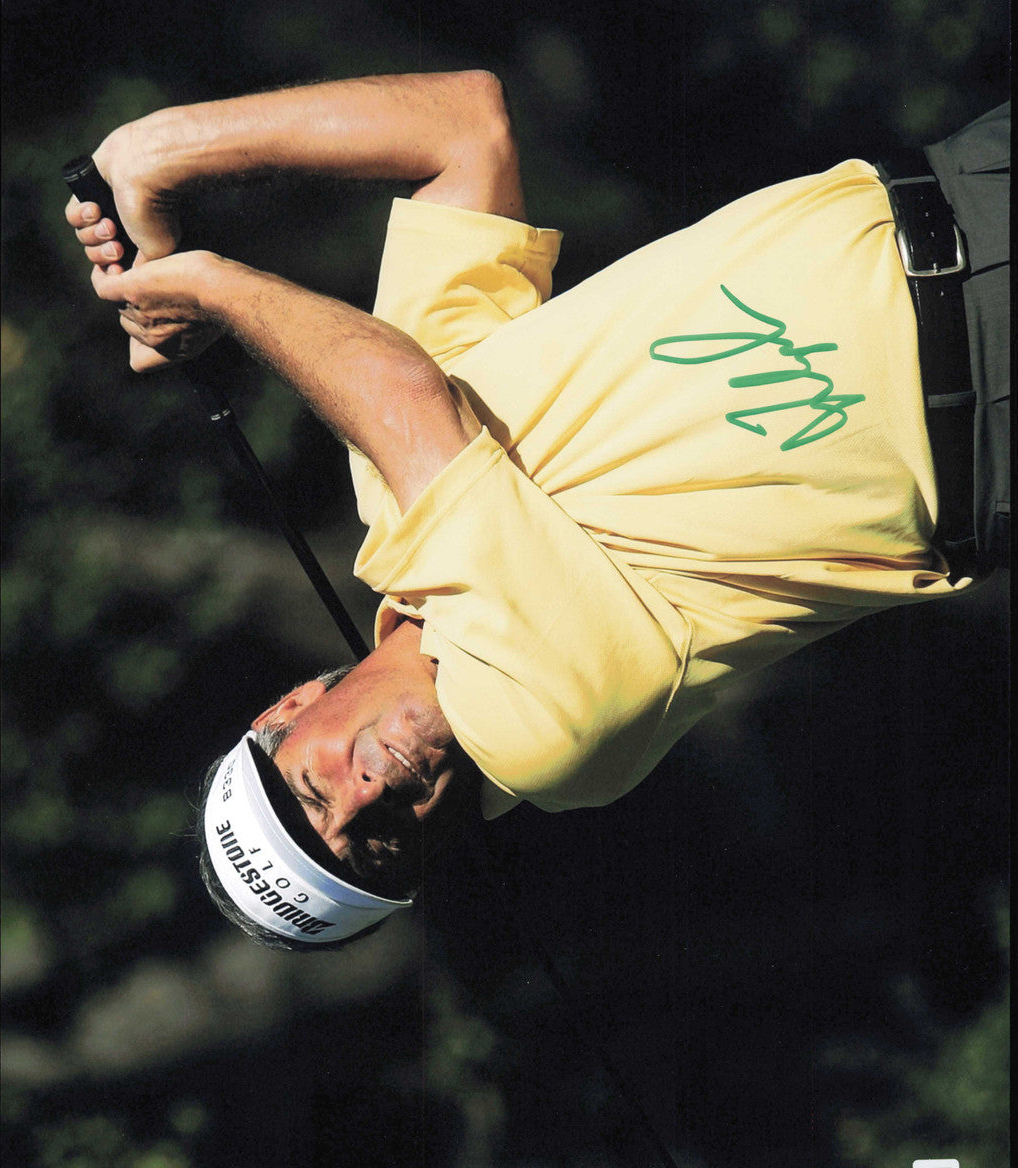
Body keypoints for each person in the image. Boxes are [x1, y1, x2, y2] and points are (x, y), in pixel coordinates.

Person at [65, 72, 1009, 949]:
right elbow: (405, 402)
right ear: (431, 859)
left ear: (292, 708)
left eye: (311, 794)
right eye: (376, 853)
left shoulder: (390, 499)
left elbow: (461, 128)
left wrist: (162, 148)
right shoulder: (543, 744)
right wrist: (204, 284)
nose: (365, 801)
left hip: (956, 189)